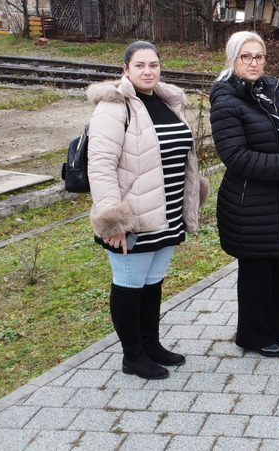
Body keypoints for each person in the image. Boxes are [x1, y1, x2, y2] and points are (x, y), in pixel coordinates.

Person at [87, 41, 209, 380]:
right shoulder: (114, 107)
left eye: (153, 65)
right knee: (128, 284)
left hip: (167, 212)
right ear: (125, 69)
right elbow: (100, 167)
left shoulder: (168, 102)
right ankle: (133, 356)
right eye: (140, 65)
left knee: (152, 283)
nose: (148, 71)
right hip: (134, 219)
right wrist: (114, 221)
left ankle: (151, 345)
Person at [210, 31, 279, 358]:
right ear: (233, 59)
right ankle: (251, 334)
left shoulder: (271, 89)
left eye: (259, 56)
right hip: (248, 201)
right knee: (255, 271)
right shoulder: (226, 100)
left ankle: (275, 327)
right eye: (246, 57)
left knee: (278, 265)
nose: (254, 63)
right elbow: (235, 156)